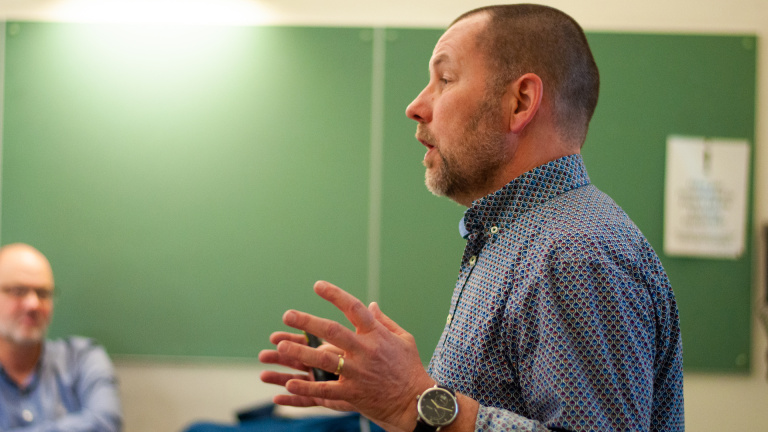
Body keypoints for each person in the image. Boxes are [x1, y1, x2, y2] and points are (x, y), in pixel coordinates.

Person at [259, 4, 684, 432]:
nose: (416, 106)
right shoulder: (517, 236)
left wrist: (414, 400)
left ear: (520, 102)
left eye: (444, 80)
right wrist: (385, 387)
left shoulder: (574, 256)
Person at [0, 243, 122, 431]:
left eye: (43, 293)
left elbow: (105, 423)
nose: (33, 304)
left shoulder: (82, 358)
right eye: (18, 291)